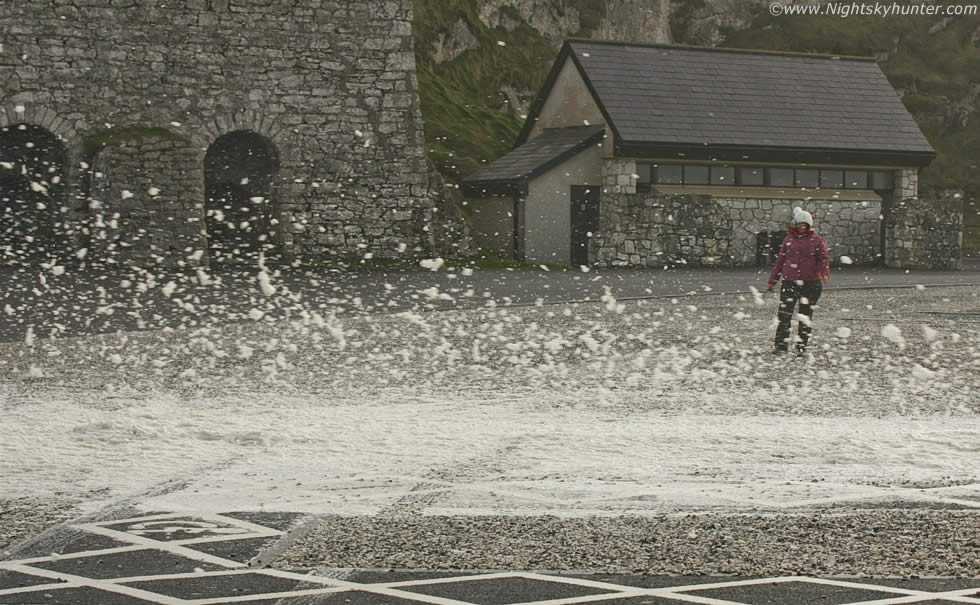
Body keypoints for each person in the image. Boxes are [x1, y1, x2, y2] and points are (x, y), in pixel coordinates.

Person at [767, 208, 830, 354]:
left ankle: (801, 346)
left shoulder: (817, 241)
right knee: (785, 314)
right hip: (790, 282)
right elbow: (780, 261)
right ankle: (781, 346)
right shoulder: (788, 240)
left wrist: (823, 272)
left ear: (809, 226)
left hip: (811, 283)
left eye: (805, 225)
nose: (802, 228)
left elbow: (823, 258)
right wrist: (773, 280)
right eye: (800, 225)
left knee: (805, 316)